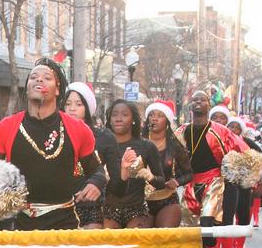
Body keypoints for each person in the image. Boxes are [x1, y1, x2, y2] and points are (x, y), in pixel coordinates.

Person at [0, 57, 105, 230]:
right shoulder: (3, 128)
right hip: (18, 225)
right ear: (27, 88)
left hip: (64, 224)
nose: (39, 79)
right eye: (33, 77)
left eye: (47, 77)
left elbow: (96, 170)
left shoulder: (79, 129)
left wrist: (96, 183)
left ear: (57, 90)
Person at [177, 90, 248, 248]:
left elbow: (243, 152)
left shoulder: (220, 131)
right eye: (195, 99)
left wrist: (238, 172)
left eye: (203, 99)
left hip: (214, 180)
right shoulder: (181, 131)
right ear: (190, 106)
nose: (198, 102)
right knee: (193, 233)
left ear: (209, 105)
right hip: (191, 182)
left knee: (207, 222)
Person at [102, 100, 163, 229]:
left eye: (124, 115)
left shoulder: (146, 146)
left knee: (135, 244)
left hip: (137, 210)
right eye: (114, 115)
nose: (118, 118)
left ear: (133, 119)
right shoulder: (101, 145)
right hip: (108, 210)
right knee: (110, 246)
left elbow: (161, 181)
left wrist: (150, 177)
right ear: (109, 119)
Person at [62, 82, 115, 229]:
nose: (72, 108)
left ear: (87, 107)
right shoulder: (54, 136)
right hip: (59, 207)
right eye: (68, 104)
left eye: (78, 104)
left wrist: (98, 185)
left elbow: (114, 179)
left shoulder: (103, 137)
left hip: (91, 207)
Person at [142, 101, 192, 228]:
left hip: (167, 199)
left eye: (160, 115)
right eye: (152, 115)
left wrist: (177, 182)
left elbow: (189, 174)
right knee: (143, 240)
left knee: (164, 238)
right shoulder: (138, 143)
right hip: (140, 201)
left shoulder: (175, 146)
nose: (154, 118)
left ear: (167, 122)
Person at [224, 116, 259, 248]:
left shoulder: (248, 143)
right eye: (230, 126)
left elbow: (259, 160)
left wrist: (251, 176)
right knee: (225, 217)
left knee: (243, 215)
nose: (233, 130)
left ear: (241, 130)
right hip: (225, 183)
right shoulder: (221, 141)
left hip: (243, 183)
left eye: (236, 127)